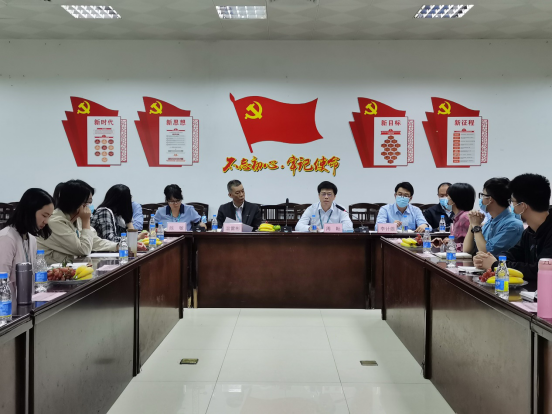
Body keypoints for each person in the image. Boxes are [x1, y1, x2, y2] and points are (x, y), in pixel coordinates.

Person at [474, 174, 552, 290]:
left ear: (522, 206)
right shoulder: (529, 232)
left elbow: (538, 270)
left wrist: (495, 264)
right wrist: (489, 258)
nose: (512, 206)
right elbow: (512, 255)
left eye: (513, 202)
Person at [37, 180, 118, 264]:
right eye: (87, 203)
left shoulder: (77, 218)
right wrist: (86, 221)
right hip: (50, 270)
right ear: (75, 202)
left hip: (69, 267)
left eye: (90, 202)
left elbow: (93, 241)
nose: (88, 206)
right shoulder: (54, 222)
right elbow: (83, 250)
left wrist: (117, 246)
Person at [0, 189, 54, 300]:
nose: (46, 221)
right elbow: (2, 282)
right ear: (30, 211)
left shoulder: (31, 239)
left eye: (49, 216)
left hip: (28, 302)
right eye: (44, 215)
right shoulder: (6, 238)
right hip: (8, 306)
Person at [463, 177, 524, 257]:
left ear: (490, 199)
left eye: (483, 195)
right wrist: (472, 223)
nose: (481, 200)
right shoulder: (490, 222)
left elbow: (486, 253)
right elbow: (467, 250)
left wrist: (476, 226)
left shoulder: (512, 225)